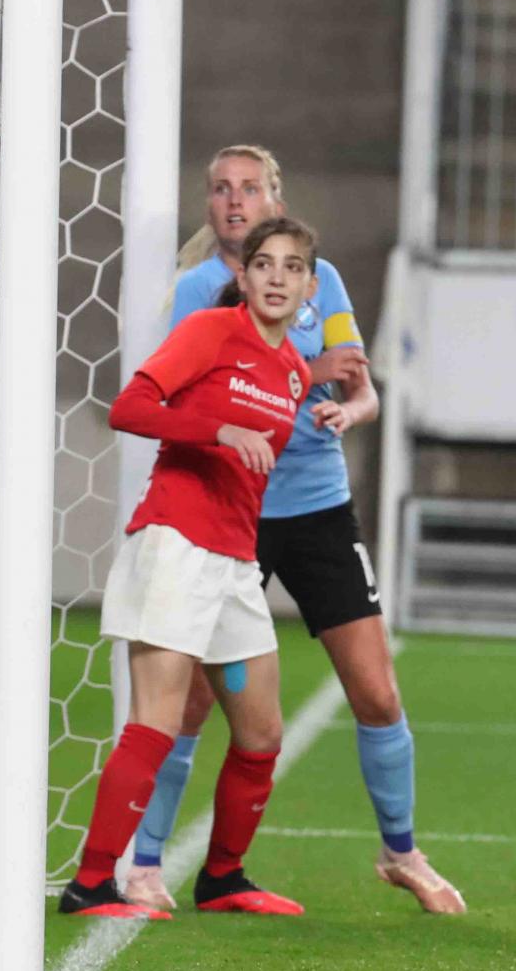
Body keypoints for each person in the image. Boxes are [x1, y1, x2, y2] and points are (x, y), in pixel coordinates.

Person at [122, 143, 464, 916]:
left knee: (376, 689)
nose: (234, 201)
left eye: (249, 187)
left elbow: (359, 381)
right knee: (193, 702)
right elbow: (212, 389)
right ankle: (145, 864)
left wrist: (351, 407)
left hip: (318, 505)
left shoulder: (321, 278)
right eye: (220, 189)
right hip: (230, 510)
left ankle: (401, 851)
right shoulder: (197, 291)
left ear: (275, 198)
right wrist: (309, 374)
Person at [58, 216, 321, 920]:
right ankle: (91, 883)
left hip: (234, 563)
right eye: (264, 263)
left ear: (310, 287)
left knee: (262, 734)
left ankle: (223, 877)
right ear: (243, 275)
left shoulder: (295, 373)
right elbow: (129, 408)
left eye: (292, 267)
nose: (276, 277)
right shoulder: (210, 332)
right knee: (157, 721)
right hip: (175, 545)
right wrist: (218, 429)